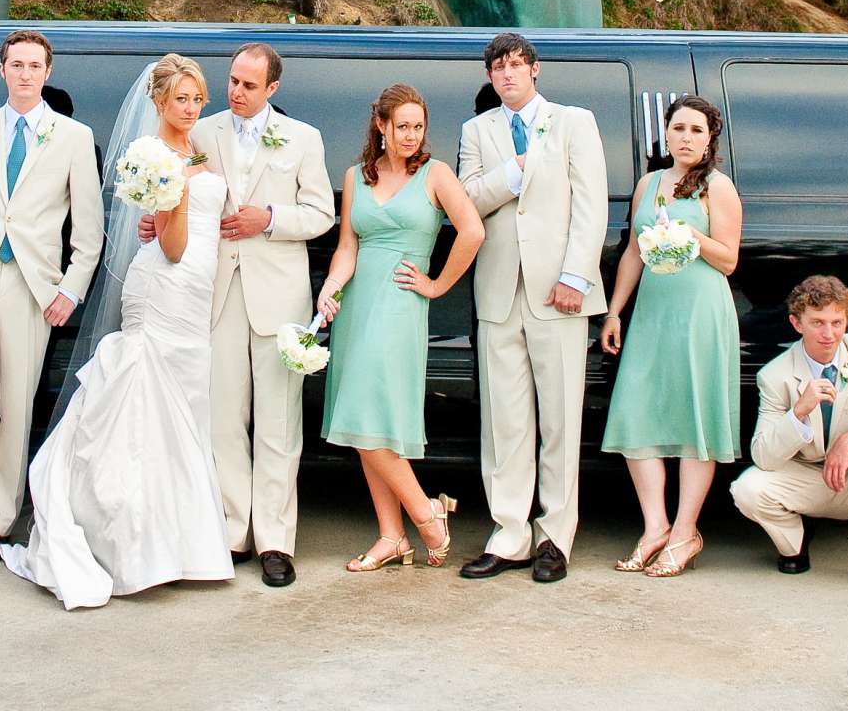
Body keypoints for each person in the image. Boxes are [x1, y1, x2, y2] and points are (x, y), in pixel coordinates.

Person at [1, 55, 234, 608]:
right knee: (147, 411)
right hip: (167, 288)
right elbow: (173, 248)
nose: (193, 107)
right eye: (182, 98)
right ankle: (133, 546)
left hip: (194, 293)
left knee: (183, 409)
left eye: (198, 97)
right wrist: (173, 200)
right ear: (158, 102)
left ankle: (177, 544)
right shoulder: (159, 160)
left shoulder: (194, 152)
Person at [0, 29, 103, 561]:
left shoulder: (73, 137)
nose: (25, 73)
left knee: (18, 403)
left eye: (35, 66)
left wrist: (70, 291)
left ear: (47, 73)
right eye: (17, 65)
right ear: (2, 70)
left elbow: (90, 232)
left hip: (35, 285)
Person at [456, 32, 605, 583]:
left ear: (535, 70)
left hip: (557, 291)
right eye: (498, 68)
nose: (508, 75)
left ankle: (555, 536)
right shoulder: (477, 130)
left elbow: (591, 205)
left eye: (517, 65)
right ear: (490, 77)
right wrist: (513, 174)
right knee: (505, 420)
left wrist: (575, 276)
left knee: (561, 418)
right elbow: (468, 199)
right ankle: (509, 532)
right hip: (498, 292)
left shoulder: (574, 122)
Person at [317, 83, 485, 571]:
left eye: (418, 127)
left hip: (401, 302)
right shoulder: (355, 177)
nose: (411, 135)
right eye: (403, 126)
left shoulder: (435, 174)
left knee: (371, 416)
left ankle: (428, 515)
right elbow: (348, 245)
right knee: (369, 423)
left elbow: (472, 231)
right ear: (382, 126)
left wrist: (436, 285)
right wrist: (330, 286)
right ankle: (391, 536)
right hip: (357, 301)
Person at [191, 43, 336, 587]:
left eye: (249, 85)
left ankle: (276, 540)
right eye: (232, 81)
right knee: (224, 419)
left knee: (278, 423)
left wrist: (269, 218)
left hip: (279, 298)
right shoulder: (204, 134)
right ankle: (233, 530)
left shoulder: (304, 138)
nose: (236, 92)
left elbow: (323, 212)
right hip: (219, 292)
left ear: (272, 88)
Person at [597, 94, 743, 577]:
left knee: (694, 418)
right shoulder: (649, 183)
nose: (686, 138)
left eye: (696, 130)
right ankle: (655, 525)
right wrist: (615, 311)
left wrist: (689, 234)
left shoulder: (717, 189)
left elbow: (728, 259)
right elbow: (635, 254)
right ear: (667, 133)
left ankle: (685, 532)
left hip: (700, 311)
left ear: (709, 139)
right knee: (637, 415)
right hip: (653, 313)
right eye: (678, 128)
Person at [729, 275, 848, 598]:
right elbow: (764, 457)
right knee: (747, 488)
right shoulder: (775, 375)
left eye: (837, 322)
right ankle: (795, 544)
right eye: (817, 322)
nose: (829, 334)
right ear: (796, 323)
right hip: (806, 479)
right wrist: (798, 413)